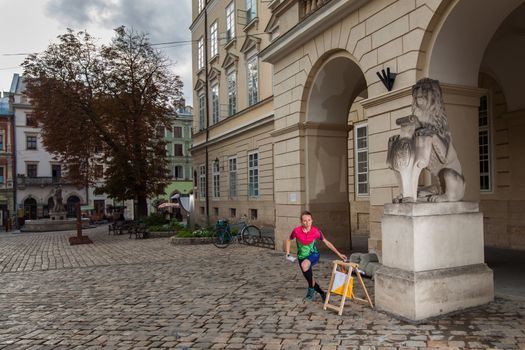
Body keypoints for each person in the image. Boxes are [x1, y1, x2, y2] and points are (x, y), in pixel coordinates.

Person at [286, 211, 347, 302]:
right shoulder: (296, 231)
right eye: (305, 221)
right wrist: (287, 253)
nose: (307, 222)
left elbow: (327, 243)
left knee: (304, 265)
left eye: (309, 220)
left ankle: (310, 291)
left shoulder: (316, 231)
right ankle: (323, 294)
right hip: (301, 257)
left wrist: (339, 254)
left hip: (313, 254)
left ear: (312, 220)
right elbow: (288, 240)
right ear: (301, 221)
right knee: (311, 279)